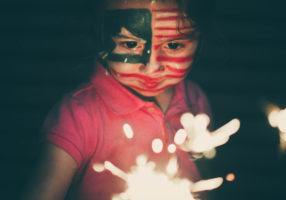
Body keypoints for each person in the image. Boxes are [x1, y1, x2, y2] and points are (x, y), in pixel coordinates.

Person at [23, 0, 214, 199]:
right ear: (98, 35)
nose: (151, 67)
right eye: (130, 44)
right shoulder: (79, 115)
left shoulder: (195, 100)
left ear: (201, 39)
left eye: (173, 45)